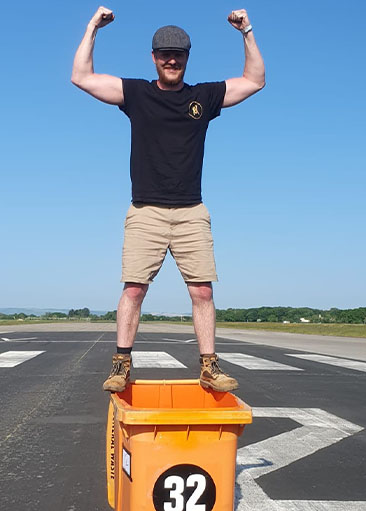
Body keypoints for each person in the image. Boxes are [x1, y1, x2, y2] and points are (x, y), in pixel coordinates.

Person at [71, 6, 265, 392]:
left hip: (192, 210)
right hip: (146, 210)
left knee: (202, 289)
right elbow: (81, 77)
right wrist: (93, 27)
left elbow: (254, 80)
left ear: (187, 59)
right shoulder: (137, 93)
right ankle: (122, 363)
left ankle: (209, 367)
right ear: (154, 58)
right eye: (165, 54)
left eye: (178, 54)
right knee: (134, 288)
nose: (171, 60)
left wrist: (247, 32)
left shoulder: (204, 97)